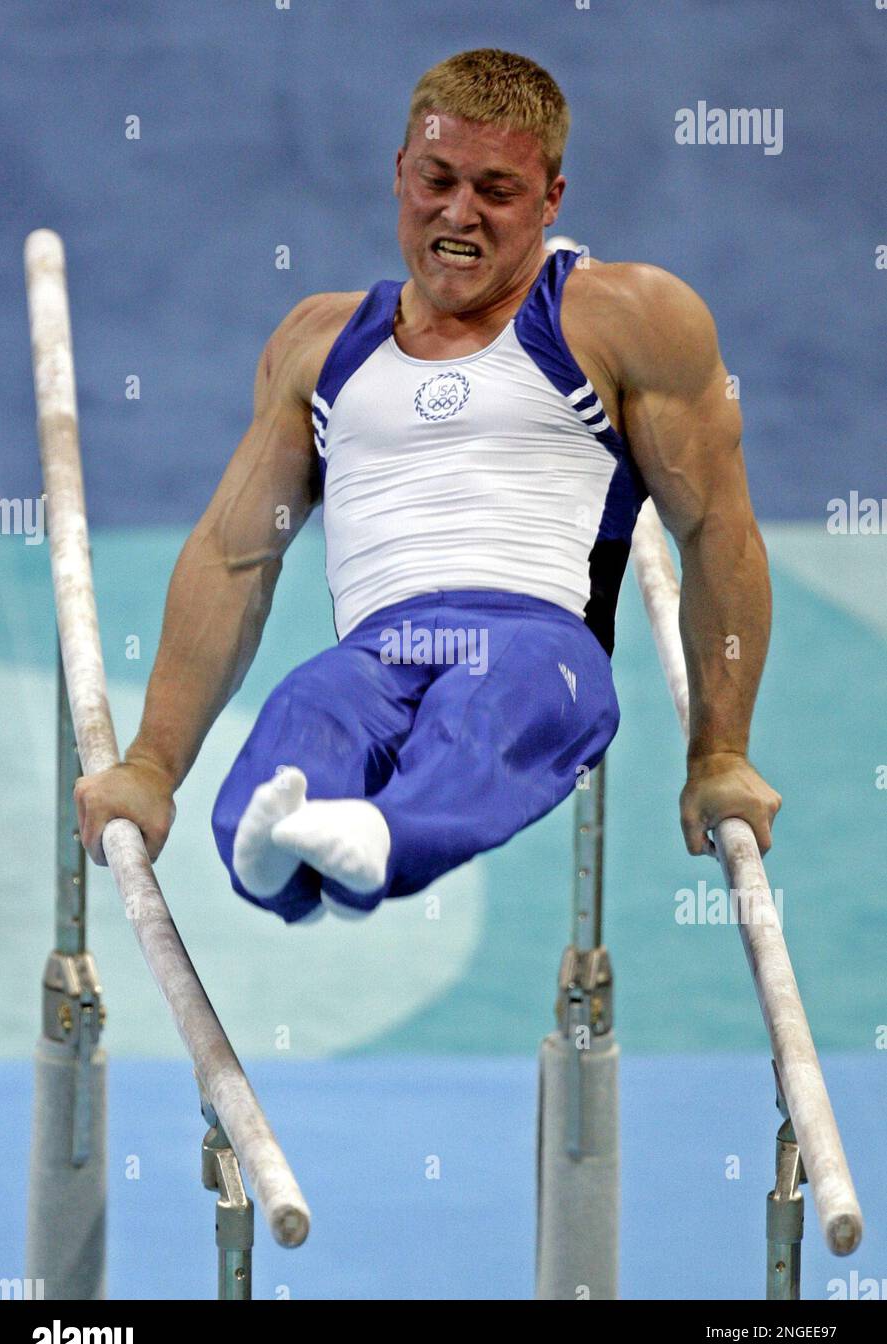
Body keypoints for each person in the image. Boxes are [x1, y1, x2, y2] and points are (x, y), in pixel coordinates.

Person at [74, 48, 781, 924]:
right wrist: (149, 768)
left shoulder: (622, 317)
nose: (459, 213)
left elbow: (718, 535)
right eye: (436, 179)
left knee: (487, 710)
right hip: (380, 648)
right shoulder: (318, 342)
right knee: (306, 711)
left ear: (552, 200)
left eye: (496, 190)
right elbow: (233, 557)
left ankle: (387, 835)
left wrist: (718, 752)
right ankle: (272, 863)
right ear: (399, 173)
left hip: (538, 644)